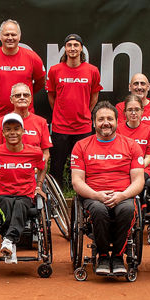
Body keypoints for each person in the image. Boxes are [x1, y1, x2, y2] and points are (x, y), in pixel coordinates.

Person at [70, 102, 145, 276]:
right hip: (93, 196)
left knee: (127, 209)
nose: (106, 123)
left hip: (123, 195)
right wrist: (97, 195)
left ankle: (118, 256)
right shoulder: (81, 146)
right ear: (93, 122)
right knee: (98, 210)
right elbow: (77, 181)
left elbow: (139, 180)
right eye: (101, 119)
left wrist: (122, 195)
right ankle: (103, 256)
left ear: (117, 121)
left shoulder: (132, 145)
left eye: (110, 119)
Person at [0, 113, 47, 264]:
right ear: (3, 133)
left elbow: (43, 166)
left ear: (23, 131)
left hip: (25, 195)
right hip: (2, 195)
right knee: (9, 204)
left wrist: (39, 185)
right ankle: (10, 243)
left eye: (16, 129)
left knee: (20, 204)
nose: (12, 133)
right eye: (8, 129)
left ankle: (8, 241)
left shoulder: (35, 152)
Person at [0, 19, 46, 143]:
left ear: (19, 36)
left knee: (26, 152)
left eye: (13, 34)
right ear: (0, 37)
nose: (10, 38)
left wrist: (25, 96)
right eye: (6, 34)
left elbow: (40, 81)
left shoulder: (32, 57)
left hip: (25, 117)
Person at [46, 34, 102, 186]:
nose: (72, 48)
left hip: (83, 126)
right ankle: (57, 192)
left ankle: (80, 190)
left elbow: (94, 96)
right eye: (69, 45)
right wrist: (60, 111)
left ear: (81, 48)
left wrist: (85, 111)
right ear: (65, 48)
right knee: (57, 164)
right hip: (60, 126)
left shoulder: (92, 70)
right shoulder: (55, 70)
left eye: (76, 45)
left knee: (82, 163)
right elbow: (51, 96)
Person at [0, 83, 53, 163]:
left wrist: (37, 167)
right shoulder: (0, 122)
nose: (22, 98)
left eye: (26, 95)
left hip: (33, 168)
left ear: (30, 99)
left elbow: (46, 153)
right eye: (18, 95)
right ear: (11, 99)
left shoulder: (41, 122)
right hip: (8, 166)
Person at [116, 73, 150, 149]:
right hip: (128, 150)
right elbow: (120, 134)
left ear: (148, 87)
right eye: (136, 84)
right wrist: (132, 151)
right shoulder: (121, 107)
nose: (139, 87)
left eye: (143, 84)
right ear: (130, 87)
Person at [116, 94, 150, 176]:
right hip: (122, 168)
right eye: (130, 110)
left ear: (142, 111)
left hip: (142, 169)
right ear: (125, 112)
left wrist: (136, 169)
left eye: (137, 109)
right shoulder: (117, 130)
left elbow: (148, 158)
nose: (133, 113)